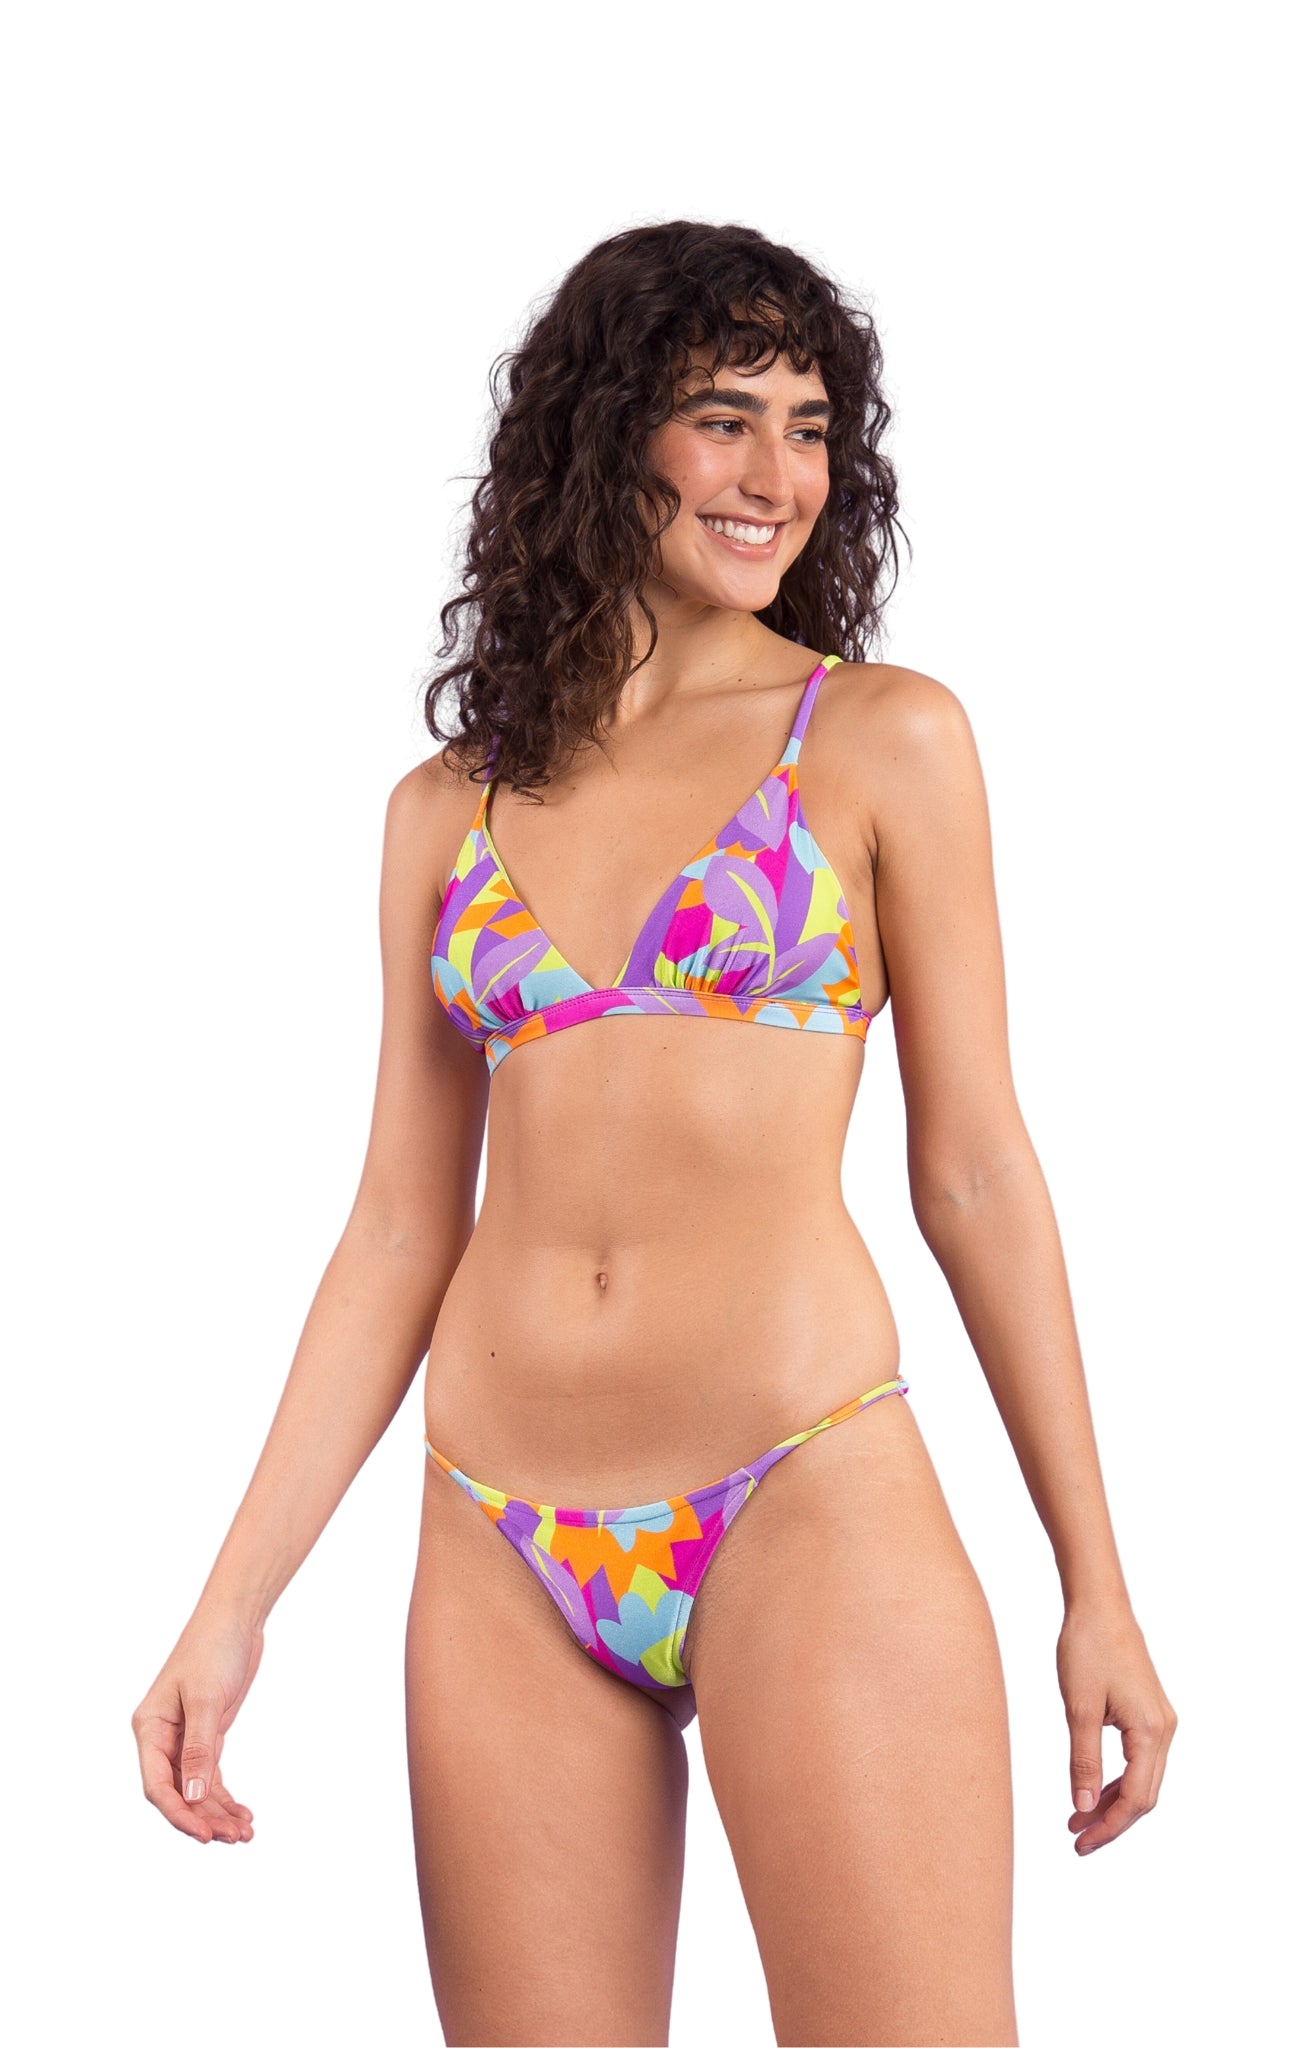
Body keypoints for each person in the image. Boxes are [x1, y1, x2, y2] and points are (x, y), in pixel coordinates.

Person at [132, 220, 1176, 2047]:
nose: (777, 474)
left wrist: (1096, 1584)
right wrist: (230, 1607)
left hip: (798, 1483)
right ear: (604, 432)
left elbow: (974, 1171)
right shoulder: (445, 806)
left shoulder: (878, 739)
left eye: (809, 427)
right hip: (496, 1528)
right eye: (722, 418)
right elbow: (397, 1228)